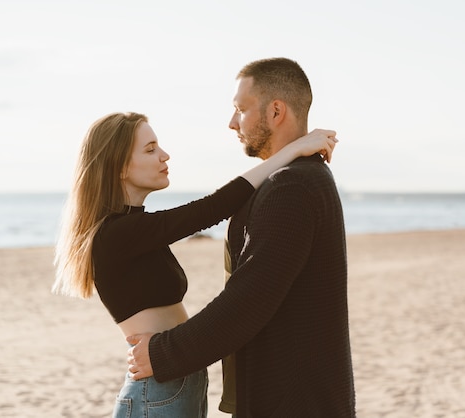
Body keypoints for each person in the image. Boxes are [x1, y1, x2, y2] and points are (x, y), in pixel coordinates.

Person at [52, 111, 338, 418]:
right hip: (157, 391)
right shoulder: (117, 234)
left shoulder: (135, 229)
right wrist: (292, 150)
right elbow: (214, 208)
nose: (164, 156)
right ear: (119, 167)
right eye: (150, 150)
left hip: (173, 384)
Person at [127, 57, 356, 417]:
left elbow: (248, 300)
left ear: (276, 111)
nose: (232, 122)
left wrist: (161, 353)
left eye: (241, 109)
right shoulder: (291, 179)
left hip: (296, 403)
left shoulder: (292, 186)